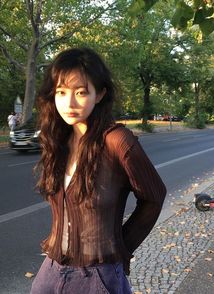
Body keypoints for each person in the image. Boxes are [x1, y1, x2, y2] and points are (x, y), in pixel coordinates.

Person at [31, 47, 166, 294]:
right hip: (50, 270)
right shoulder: (57, 140)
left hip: (97, 276)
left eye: (81, 92)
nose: (68, 103)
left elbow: (154, 196)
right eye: (61, 92)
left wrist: (120, 249)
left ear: (100, 94)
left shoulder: (117, 141)